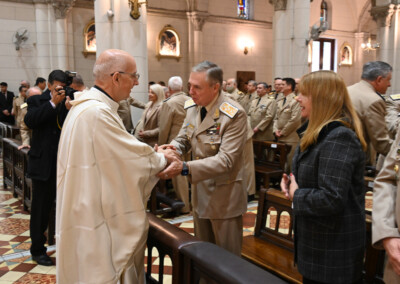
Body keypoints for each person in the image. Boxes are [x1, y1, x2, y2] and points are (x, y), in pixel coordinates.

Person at [56, 49, 180, 284]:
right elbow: (131, 158)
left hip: (85, 207)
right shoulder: (97, 113)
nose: (137, 82)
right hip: (96, 219)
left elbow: (120, 152)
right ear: (116, 78)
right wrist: (163, 158)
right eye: (133, 76)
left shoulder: (84, 107)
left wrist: (154, 153)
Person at [281, 70, 366, 284]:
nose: (297, 98)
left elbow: (331, 198)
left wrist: (297, 193)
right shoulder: (317, 131)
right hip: (318, 245)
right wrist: (291, 180)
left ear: (321, 98)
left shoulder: (339, 137)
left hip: (333, 251)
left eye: (303, 94)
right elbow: (310, 173)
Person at [158, 61, 248, 256]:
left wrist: (184, 167)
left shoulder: (233, 114)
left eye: (197, 87)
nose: (190, 91)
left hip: (224, 197)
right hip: (200, 193)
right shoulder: (193, 106)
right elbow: (185, 136)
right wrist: (172, 148)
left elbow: (226, 160)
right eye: (190, 85)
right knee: (205, 256)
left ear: (215, 87)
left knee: (226, 259)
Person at [24, 70, 71, 266]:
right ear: (50, 85)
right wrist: (53, 103)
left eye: (63, 87)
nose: (60, 90)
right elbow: (30, 121)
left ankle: (65, 245)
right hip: (43, 165)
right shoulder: (38, 100)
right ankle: (37, 250)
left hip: (64, 163)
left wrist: (69, 107)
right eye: (57, 87)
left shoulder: (69, 99)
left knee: (65, 208)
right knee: (40, 210)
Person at [348, 61, 393, 166]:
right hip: (356, 159)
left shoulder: (347, 90)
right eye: (388, 80)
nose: (389, 84)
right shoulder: (374, 100)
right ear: (379, 80)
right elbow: (381, 143)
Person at [158, 76, 191, 213]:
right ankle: (193, 203)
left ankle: (184, 207)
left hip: (174, 143)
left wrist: (161, 145)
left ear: (170, 89)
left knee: (179, 176)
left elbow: (164, 127)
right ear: (182, 87)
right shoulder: (190, 100)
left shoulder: (169, 103)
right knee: (190, 171)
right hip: (190, 140)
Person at [273, 77, 301, 172]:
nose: (280, 86)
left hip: (290, 137)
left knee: (289, 164)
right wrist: (275, 129)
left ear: (289, 86)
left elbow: (295, 120)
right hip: (280, 136)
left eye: (282, 85)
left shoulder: (295, 100)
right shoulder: (281, 101)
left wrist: (283, 132)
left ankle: (290, 185)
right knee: (281, 163)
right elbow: (276, 117)